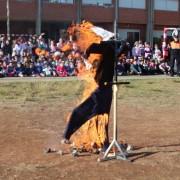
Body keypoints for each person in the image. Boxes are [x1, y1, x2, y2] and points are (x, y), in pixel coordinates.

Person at [61, 40, 128, 151]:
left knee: (95, 116)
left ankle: (103, 143)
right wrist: (87, 53)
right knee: (97, 116)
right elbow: (95, 47)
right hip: (103, 90)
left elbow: (95, 48)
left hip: (104, 90)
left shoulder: (109, 49)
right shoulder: (110, 49)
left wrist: (88, 51)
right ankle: (104, 144)